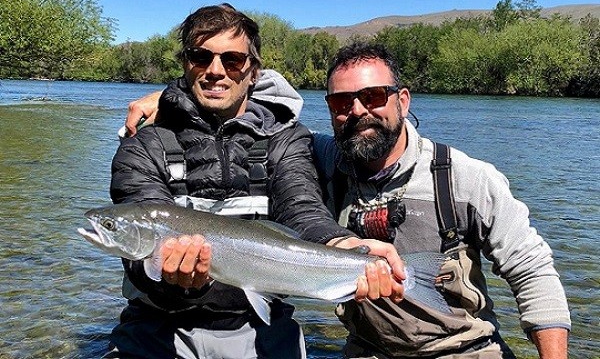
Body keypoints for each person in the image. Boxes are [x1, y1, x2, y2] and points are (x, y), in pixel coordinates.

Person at [123, 41, 571, 358]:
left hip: (465, 350)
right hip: (366, 351)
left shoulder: (468, 180)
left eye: (373, 96)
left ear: (402, 100)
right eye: (342, 102)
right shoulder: (321, 157)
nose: (358, 111)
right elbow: (251, 103)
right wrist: (171, 100)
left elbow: (533, 274)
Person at [107, 4, 405, 359]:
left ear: (253, 71)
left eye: (232, 60)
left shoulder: (286, 139)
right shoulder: (143, 143)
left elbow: (302, 209)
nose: (215, 71)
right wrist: (174, 276)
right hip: (155, 329)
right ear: (185, 64)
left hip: (262, 329)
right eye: (200, 57)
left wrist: (339, 243)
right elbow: (138, 254)